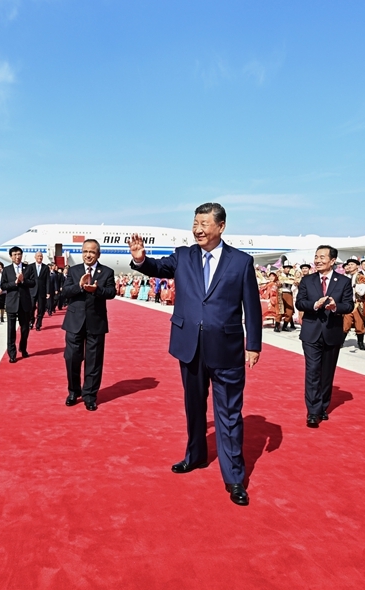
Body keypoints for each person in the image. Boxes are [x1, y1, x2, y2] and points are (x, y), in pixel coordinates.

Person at [129, 203, 261, 507]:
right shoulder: (183, 256)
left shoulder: (241, 262)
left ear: (221, 226)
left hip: (226, 349)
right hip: (189, 346)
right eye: (195, 223)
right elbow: (156, 268)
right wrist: (140, 259)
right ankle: (195, 455)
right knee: (194, 406)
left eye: (204, 224)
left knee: (229, 414)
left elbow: (252, 306)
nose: (198, 229)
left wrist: (253, 344)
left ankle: (234, 477)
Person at [295, 245, 354, 428]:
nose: (318, 260)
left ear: (332, 260)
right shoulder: (307, 280)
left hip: (332, 332)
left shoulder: (343, 281)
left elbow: (349, 305)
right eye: (316, 257)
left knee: (327, 373)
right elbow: (300, 302)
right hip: (311, 333)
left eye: (322, 257)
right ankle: (313, 412)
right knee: (312, 371)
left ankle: (322, 406)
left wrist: (336, 307)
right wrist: (314, 304)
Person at [62, 239, 116, 412]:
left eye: (92, 252)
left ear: (98, 254)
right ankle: (73, 391)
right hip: (74, 322)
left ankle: (90, 396)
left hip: (96, 322)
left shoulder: (107, 272)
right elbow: (65, 291)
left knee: (94, 361)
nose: (88, 255)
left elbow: (111, 292)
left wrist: (96, 290)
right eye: (85, 251)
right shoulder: (74, 270)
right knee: (71, 358)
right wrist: (79, 286)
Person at [0, 247, 34, 363]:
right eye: (14, 255)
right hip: (12, 302)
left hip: (24, 303)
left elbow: (33, 283)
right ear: (11, 256)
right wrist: (15, 283)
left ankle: (23, 348)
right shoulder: (7, 270)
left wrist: (23, 280)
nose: (17, 257)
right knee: (11, 330)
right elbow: (3, 285)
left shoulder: (28, 268)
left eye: (19, 254)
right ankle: (12, 353)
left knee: (25, 329)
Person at [342, 258, 365, 350]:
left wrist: (355, 286)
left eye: (352, 264)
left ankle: (360, 342)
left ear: (357, 266)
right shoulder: (346, 276)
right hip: (347, 303)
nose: (349, 266)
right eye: (349, 264)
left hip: (358, 303)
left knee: (359, 323)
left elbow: (363, 289)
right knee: (346, 323)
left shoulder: (360, 276)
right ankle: (341, 342)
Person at [29, 252, 49, 331]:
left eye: (41, 256)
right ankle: (31, 321)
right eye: (38, 256)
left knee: (41, 308)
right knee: (31, 307)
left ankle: (38, 324)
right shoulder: (30, 267)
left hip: (42, 291)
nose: (39, 257)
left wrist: (48, 292)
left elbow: (48, 280)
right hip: (32, 290)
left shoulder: (45, 267)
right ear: (35, 257)